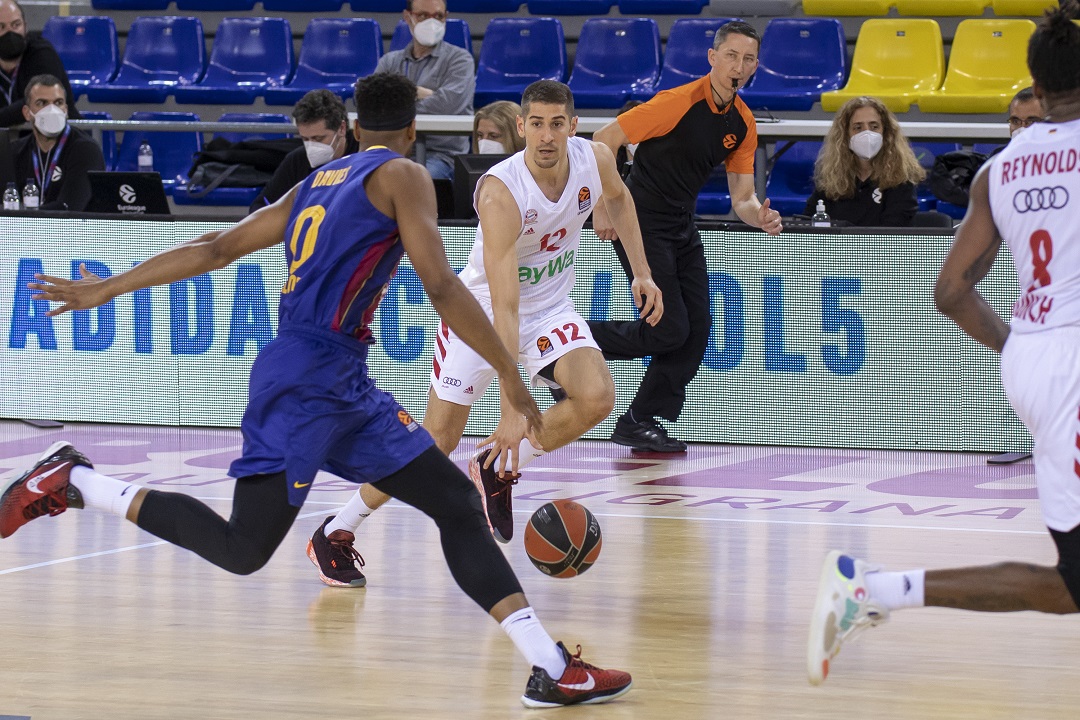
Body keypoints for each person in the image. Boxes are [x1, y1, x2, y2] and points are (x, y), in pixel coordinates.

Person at [3, 72, 632, 709]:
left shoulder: (314, 183)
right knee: (243, 549)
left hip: (343, 382)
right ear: (413, 133)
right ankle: (75, 483)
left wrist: (107, 287)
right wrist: (511, 380)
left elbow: (217, 246)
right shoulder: (404, 177)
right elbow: (443, 287)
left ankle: (550, 667)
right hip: (305, 382)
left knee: (455, 503)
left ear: (355, 128)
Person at [808, 2, 1080, 685]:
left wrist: (1020, 348)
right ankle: (866, 592)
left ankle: (874, 591)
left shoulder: (1001, 170)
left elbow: (952, 291)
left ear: (1035, 85)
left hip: (1036, 355)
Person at [306, 79, 663, 577]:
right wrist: (513, 404)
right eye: (536, 124)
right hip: (478, 317)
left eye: (556, 124)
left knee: (597, 397)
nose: (546, 136)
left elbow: (620, 201)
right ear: (522, 127)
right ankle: (336, 529)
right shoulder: (501, 193)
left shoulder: (594, 159)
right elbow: (505, 308)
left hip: (551, 306)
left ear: (572, 127)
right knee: (437, 442)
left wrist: (642, 273)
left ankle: (496, 468)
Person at [586, 20, 783, 454]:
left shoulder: (743, 123)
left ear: (755, 67)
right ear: (713, 58)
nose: (739, 65)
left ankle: (640, 419)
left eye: (748, 59)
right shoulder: (676, 101)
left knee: (696, 332)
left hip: (681, 225)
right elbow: (604, 139)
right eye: (731, 55)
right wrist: (603, 205)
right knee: (669, 329)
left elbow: (743, 198)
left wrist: (760, 218)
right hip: (640, 220)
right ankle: (564, 342)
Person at [373, 0, 474, 180]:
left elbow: (448, 105)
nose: (431, 22)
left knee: (412, 181)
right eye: (423, 16)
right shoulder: (390, 61)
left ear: (446, 18)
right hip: (392, 151)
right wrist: (416, 93)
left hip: (441, 155)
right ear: (407, 17)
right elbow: (369, 102)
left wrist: (397, 101)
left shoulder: (460, 60)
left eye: (438, 16)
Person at [802, 96, 924, 228]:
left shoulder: (901, 180)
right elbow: (808, 222)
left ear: (886, 132)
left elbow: (894, 233)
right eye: (858, 128)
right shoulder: (832, 179)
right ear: (845, 135)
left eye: (874, 126)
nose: (867, 133)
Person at [930, 87, 1046, 211]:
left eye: (1031, 121)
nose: (1022, 128)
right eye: (1015, 121)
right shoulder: (996, 161)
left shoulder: (1063, 163)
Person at [248, 88, 358, 213]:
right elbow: (261, 207)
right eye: (305, 139)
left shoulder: (363, 153)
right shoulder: (296, 161)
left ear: (342, 129)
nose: (312, 146)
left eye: (318, 138)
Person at [12, 74, 104, 211]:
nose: (52, 111)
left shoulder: (86, 150)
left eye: (58, 103)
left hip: (72, 230)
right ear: (27, 113)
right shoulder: (15, 151)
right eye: (41, 103)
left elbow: (69, 208)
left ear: (66, 111)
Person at [0, 0, 79, 127]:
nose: (10, 32)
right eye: (1, 27)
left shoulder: (42, 53)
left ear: (25, 27)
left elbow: (41, 101)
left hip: (60, 137)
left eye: (16, 25)